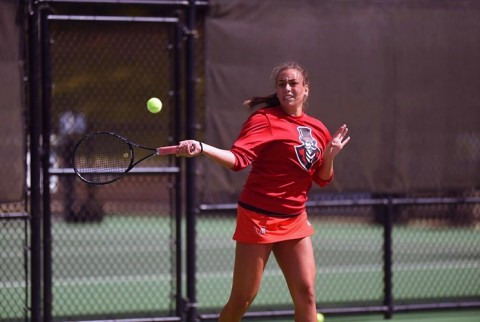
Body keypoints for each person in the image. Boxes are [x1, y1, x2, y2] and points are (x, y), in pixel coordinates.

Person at [176, 61, 350, 322]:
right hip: (259, 218)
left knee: (307, 294)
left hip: (294, 219)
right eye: (282, 84)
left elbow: (322, 179)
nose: (287, 88)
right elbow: (237, 160)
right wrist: (203, 147)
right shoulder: (264, 120)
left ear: (306, 89)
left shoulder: (318, 129)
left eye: (293, 83)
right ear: (277, 91)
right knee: (243, 298)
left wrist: (329, 156)